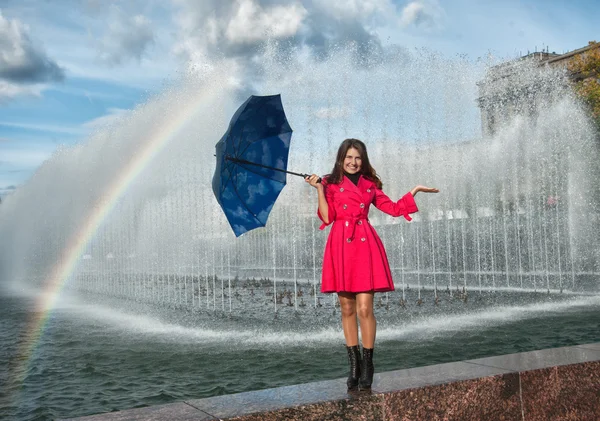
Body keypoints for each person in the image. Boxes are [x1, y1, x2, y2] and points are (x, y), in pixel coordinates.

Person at [305, 138, 439, 391]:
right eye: (349, 158)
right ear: (340, 159)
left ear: (363, 160)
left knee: (365, 309)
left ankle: (368, 363)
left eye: (358, 158)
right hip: (340, 244)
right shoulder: (329, 184)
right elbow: (327, 217)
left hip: (364, 244)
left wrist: (415, 191)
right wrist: (319, 190)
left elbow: (395, 209)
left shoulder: (370, 185)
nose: (353, 162)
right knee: (347, 309)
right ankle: (353, 365)